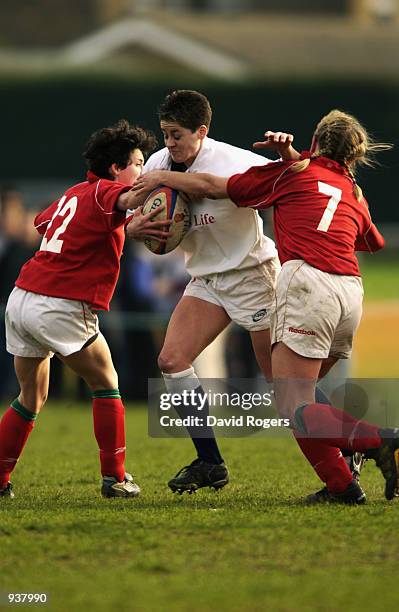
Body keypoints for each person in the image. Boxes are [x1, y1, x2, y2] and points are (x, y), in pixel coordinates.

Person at [133, 109, 395, 504]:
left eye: (176, 133)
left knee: (291, 399)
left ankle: (376, 442)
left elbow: (212, 184)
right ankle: (339, 482)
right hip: (349, 290)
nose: (169, 142)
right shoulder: (352, 190)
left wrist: (162, 180)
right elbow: (373, 243)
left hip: (293, 282)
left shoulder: (288, 172)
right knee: (180, 362)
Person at [127, 89, 296, 494]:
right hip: (207, 280)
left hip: (254, 276)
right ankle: (210, 462)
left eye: (178, 135)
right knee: (171, 359)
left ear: (201, 132)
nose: (170, 143)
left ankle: (351, 449)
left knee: (285, 387)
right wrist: (132, 226)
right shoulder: (158, 162)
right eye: (165, 133)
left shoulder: (233, 159)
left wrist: (288, 155)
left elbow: (294, 175)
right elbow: (131, 207)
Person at [0, 119, 170, 500]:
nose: (142, 170)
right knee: (107, 384)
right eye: (139, 163)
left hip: (22, 298)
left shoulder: (75, 193)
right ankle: (116, 477)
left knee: (31, 396)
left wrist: (121, 227)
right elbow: (126, 200)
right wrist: (156, 196)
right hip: (59, 304)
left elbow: (41, 223)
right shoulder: (108, 192)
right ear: (116, 168)